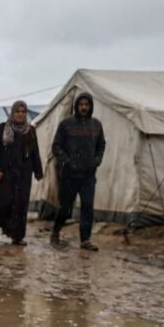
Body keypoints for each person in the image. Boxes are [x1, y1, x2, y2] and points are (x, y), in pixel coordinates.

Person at [50, 92, 107, 251]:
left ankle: (85, 239)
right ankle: (56, 230)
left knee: (87, 207)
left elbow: (102, 144)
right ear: (76, 106)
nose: (84, 107)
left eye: (86, 105)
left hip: (88, 175)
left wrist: (97, 160)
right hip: (69, 175)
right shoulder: (66, 124)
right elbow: (56, 146)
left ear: (90, 106)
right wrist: (67, 162)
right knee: (66, 208)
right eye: (81, 105)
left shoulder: (96, 125)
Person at [0, 100, 43, 245]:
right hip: (5, 174)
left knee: (21, 205)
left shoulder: (30, 131)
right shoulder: (2, 129)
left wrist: (38, 171)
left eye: (23, 111)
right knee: (4, 204)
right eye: (17, 111)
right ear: (12, 113)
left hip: (24, 173)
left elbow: (35, 152)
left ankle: (18, 236)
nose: (20, 114)